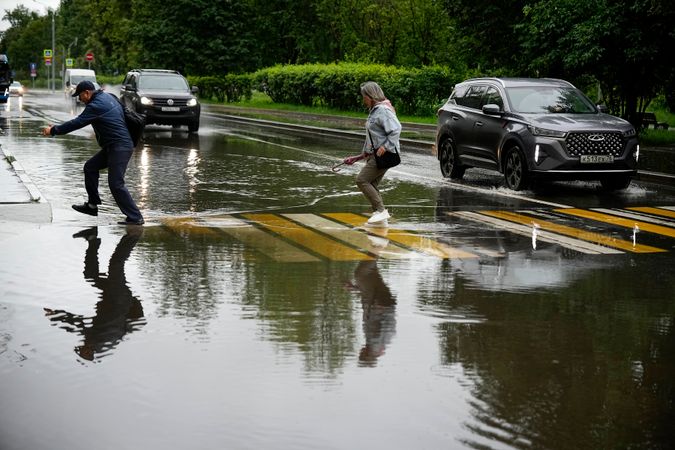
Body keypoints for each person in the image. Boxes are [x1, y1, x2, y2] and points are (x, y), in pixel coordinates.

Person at [42, 80, 144, 225]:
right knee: (90, 167)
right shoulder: (108, 97)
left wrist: (53, 130)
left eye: (80, 96)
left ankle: (135, 217)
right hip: (114, 146)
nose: (79, 99)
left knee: (116, 183)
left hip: (120, 147)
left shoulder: (95, 106)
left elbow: (76, 123)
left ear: (87, 93)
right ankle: (92, 206)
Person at [44, 227, 146, 361]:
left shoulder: (99, 341)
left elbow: (76, 326)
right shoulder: (101, 339)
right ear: (89, 351)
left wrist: (56, 316)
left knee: (90, 275)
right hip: (119, 298)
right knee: (115, 264)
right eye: (83, 348)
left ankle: (93, 239)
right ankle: (134, 235)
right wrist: (56, 315)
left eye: (81, 346)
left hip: (113, 297)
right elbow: (77, 323)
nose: (82, 344)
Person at [348, 81, 402, 227]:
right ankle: (380, 218)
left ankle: (381, 211)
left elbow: (396, 129)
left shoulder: (383, 110)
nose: (363, 99)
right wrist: (358, 157)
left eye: (364, 96)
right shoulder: (375, 110)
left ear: (370, 95)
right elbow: (372, 136)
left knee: (362, 180)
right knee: (371, 183)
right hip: (374, 155)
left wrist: (385, 146)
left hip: (384, 155)